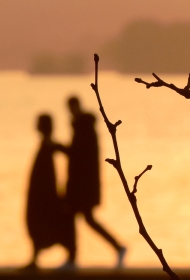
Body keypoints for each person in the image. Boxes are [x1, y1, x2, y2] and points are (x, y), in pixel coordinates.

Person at [65, 96, 127, 267]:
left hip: (83, 186)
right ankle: (117, 247)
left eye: (71, 108)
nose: (70, 112)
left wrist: (57, 148)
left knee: (79, 218)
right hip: (83, 185)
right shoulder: (83, 127)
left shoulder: (83, 128)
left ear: (76, 107)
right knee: (85, 219)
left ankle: (72, 258)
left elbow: (79, 156)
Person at [24, 114, 76, 270]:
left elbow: (70, 153)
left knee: (45, 224)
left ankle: (69, 256)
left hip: (44, 195)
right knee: (36, 225)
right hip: (41, 194)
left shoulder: (49, 145)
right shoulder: (47, 144)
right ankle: (35, 257)